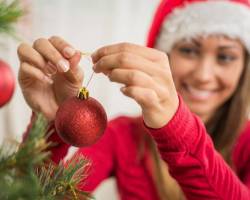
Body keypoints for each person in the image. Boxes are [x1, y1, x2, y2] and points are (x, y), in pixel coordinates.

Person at [17, 0, 250, 199]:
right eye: (189, 50)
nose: (203, 75)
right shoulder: (121, 136)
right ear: (163, 54)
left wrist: (176, 128)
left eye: (225, 56)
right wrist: (48, 127)